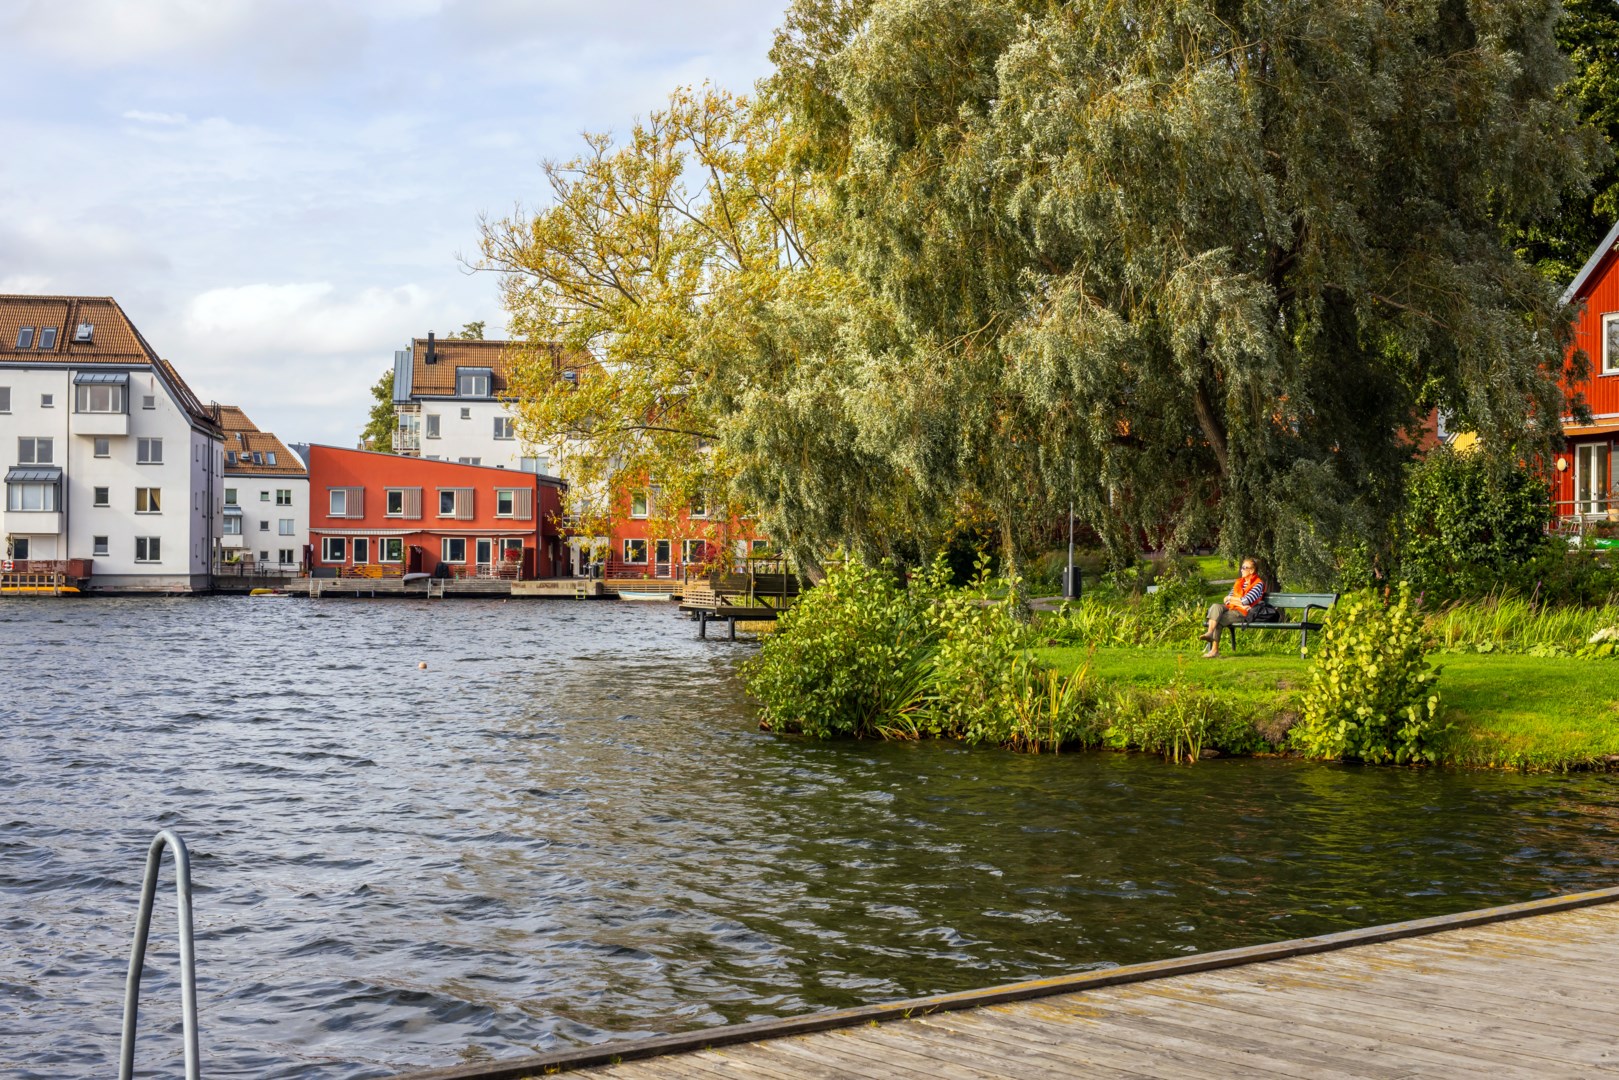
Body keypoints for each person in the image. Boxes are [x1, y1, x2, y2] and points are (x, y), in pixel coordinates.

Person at [1201, 557, 1266, 659]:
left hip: (1244, 613)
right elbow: (1226, 599)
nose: (1241, 570)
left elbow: (1247, 600)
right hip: (1233, 607)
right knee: (1215, 607)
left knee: (1218, 619)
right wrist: (1236, 601)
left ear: (1252, 570)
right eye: (1242, 567)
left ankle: (1214, 651)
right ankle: (1209, 632)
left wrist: (1235, 601)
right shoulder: (1239, 582)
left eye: (1244, 567)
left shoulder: (1258, 584)